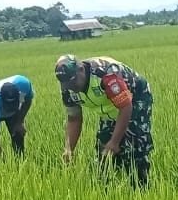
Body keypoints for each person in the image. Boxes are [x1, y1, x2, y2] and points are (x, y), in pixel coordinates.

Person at [54, 54, 153, 187]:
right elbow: (74, 118)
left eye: (73, 81)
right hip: (108, 107)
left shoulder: (106, 75)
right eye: (66, 84)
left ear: (81, 69)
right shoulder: (67, 86)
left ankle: (142, 188)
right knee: (103, 152)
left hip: (135, 98)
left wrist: (115, 142)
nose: (71, 86)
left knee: (134, 148)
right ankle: (107, 192)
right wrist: (69, 149)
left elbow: (125, 106)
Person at [0, 75, 34, 159]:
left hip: (12, 113)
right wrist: (4, 160)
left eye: (13, 105)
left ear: (19, 95)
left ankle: (20, 161)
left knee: (18, 134)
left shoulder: (24, 86)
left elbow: (28, 100)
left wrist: (19, 122)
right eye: (8, 107)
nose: (10, 109)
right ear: (1, 100)